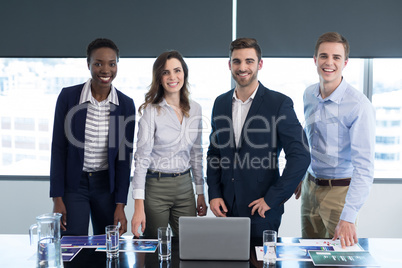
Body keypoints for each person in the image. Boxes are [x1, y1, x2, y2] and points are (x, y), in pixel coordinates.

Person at [207, 38, 310, 237]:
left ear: (259, 64)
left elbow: (301, 156)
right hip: (226, 208)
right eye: (236, 61)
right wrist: (214, 194)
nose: (242, 67)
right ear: (229, 65)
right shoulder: (220, 103)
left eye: (249, 61)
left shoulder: (279, 103)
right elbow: (214, 154)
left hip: (262, 210)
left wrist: (273, 198)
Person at [294, 32, 376, 248]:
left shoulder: (358, 105)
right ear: (315, 60)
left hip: (340, 194)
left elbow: (365, 167)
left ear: (345, 62)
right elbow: (311, 138)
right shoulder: (309, 94)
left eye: (336, 57)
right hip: (310, 188)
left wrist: (349, 216)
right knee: (308, 254)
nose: (329, 62)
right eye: (323, 56)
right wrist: (302, 173)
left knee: (341, 259)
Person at [50, 38, 135, 236]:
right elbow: (58, 148)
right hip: (74, 185)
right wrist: (57, 197)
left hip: (107, 186)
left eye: (112, 63)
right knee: (72, 246)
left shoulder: (125, 105)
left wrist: (120, 204)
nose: (106, 69)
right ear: (88, 64)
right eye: (98, 63)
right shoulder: (69, 97)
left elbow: (124, 158)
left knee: (107, 247)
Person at [131, 50, 208, 238]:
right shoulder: (151, 111)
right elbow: (141, 159)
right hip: (156, 187)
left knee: (190, 244)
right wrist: (138, 207)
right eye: (166, 72)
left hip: (184, 185)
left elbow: (196, 154)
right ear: (159, 77)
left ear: (184, 73)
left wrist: (200, 192)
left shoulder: (195, 108)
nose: (172, 77)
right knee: (155, 245)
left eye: (177, 70)